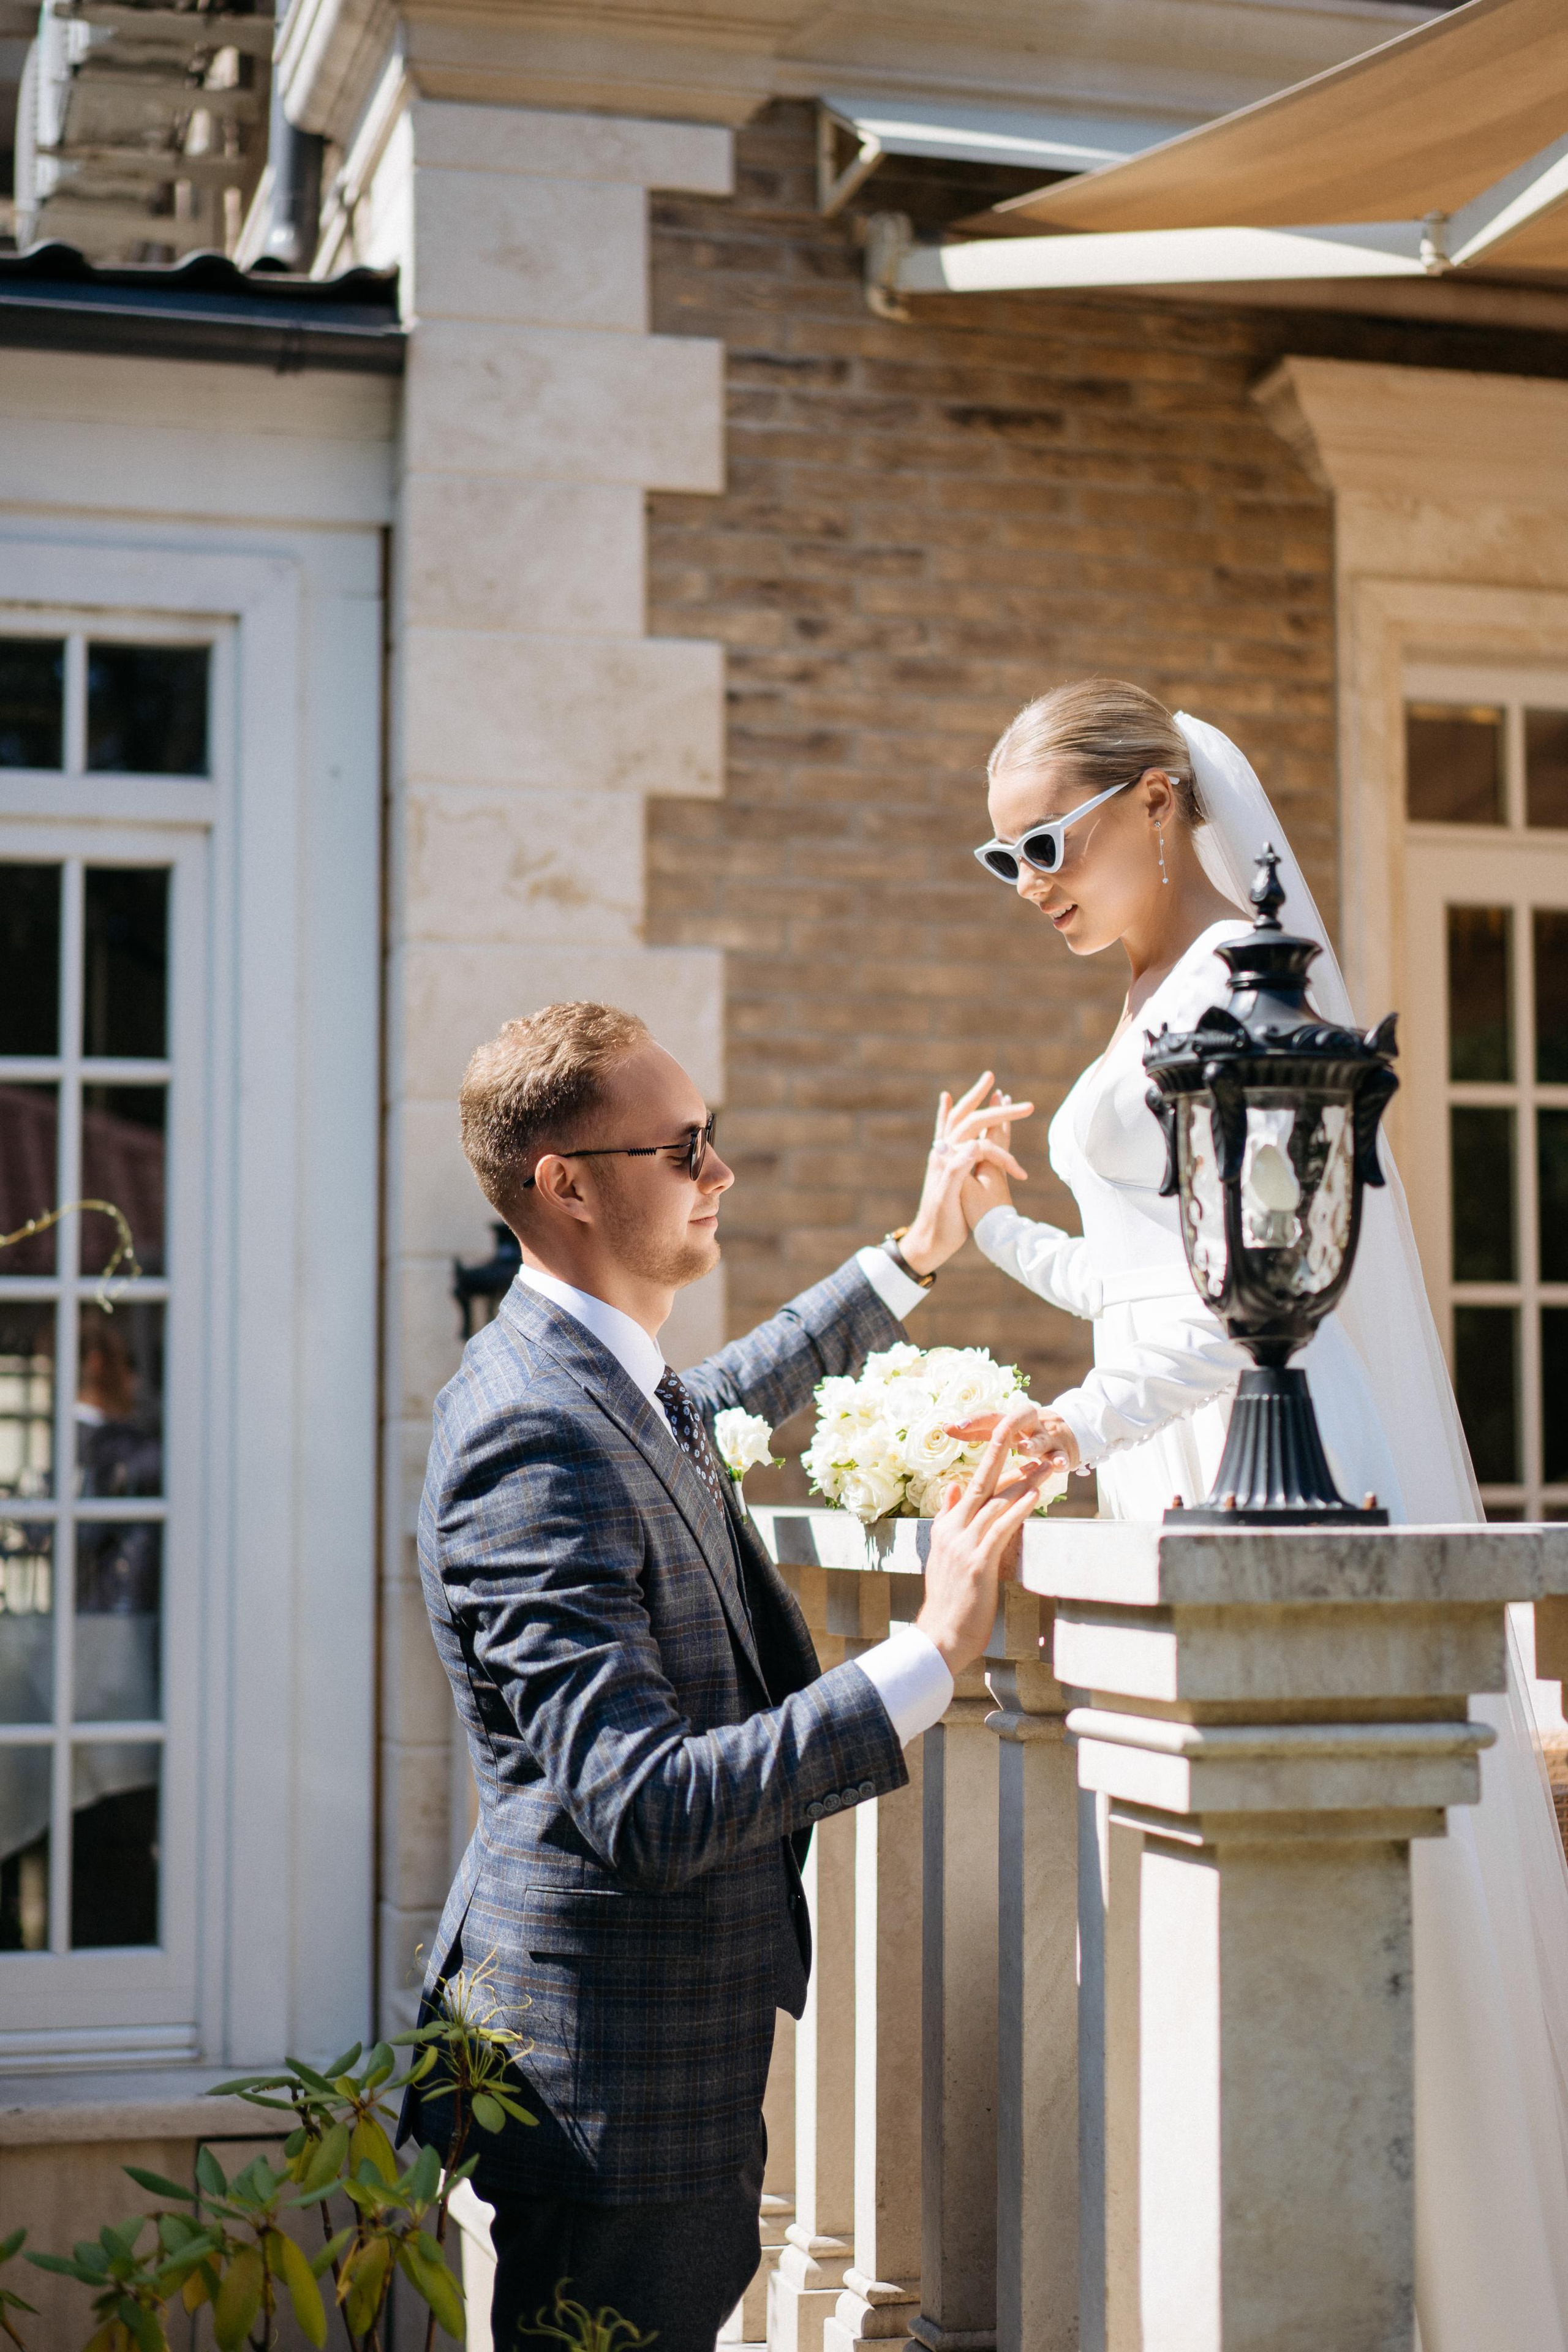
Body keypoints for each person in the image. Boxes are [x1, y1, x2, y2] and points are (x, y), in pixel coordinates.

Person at [929, 675, 1568, 2352]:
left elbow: (1250, 1300)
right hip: (1185, 1449)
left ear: (1157, 801)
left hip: (1264, 1455)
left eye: (1049, 844)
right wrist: (998, 1239)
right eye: (1003, 863)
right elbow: (1155, 1290)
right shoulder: (1154, 991)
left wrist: (1066, 1425)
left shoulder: (1236, 987)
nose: (1031, 886)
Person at [405, 999, 1047, 2352]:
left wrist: (914, 1254)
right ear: (566, 1185)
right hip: (607, 2094)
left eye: (714, 1136)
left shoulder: (604, 1382)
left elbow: (729, 1394)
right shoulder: (529, 1432)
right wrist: (928, 1656)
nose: (721, 1172)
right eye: (682, 1149)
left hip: (651, 2063)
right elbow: (645, 1802)